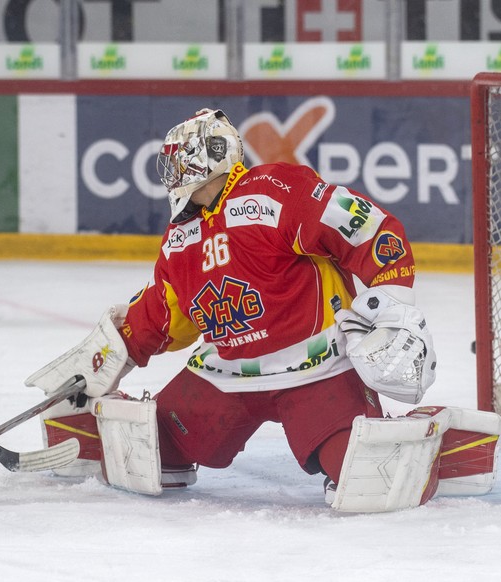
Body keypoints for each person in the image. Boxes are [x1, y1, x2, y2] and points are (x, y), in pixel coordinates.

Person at [26, 108, 501, 512]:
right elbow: (164, 313)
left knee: (368, 477)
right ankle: (94, 433)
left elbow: (370, 230)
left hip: (317, 369)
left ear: (211, 156)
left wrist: (392, 307)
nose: (171, 175)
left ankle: (438, 437)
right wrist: (104, 358)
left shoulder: (276, 191)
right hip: (227, 375)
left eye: (179, 160)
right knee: (149, 454)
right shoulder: (179, 241)